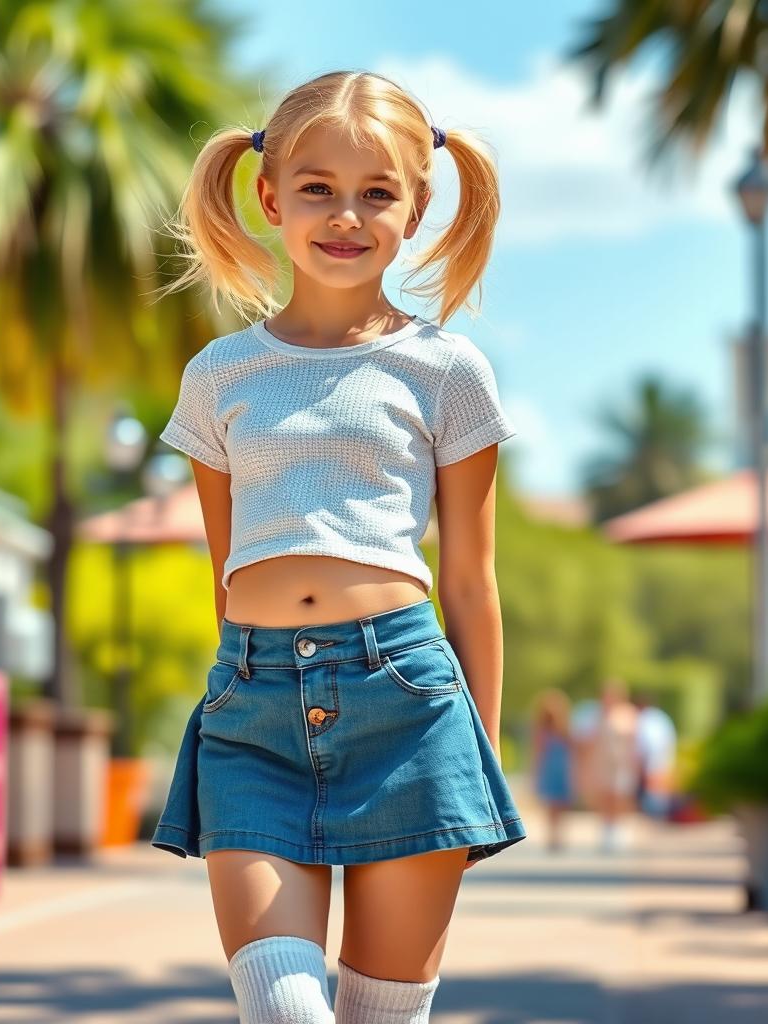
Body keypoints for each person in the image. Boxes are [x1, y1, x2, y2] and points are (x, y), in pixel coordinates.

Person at [147, 70, 527, 1024]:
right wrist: (245, 670)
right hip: (255, 709)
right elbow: (225, 573)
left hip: (409, 706)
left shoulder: (448, 370)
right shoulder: (218, 375)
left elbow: (474, 585)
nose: (345, 215)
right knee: (284, 1013)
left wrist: (474, 751)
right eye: (317, 188)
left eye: (377, 192)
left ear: (418, 206)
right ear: (269, 196)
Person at [588, 679, 640, 853]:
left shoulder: (628, 714)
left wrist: (634, 762)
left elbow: (634, 741)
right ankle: (606, 829)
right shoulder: (600, 714)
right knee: (605, 795)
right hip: (603, 761)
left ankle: (618, 828)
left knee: (620, 796)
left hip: (622, 762)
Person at [530, 689, 574, 851]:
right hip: (549, 770)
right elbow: (537, 754)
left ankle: (559, 835)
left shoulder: (565, 730)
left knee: (562, 804)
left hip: (562, 770)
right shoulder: (542, 732)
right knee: (552, 805)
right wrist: (535, 774)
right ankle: (553, 835)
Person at [632, 692, 678, 820]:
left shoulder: (645, 721)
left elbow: (646, 746)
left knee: (653, 795)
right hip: (663, 761)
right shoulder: (661, 718)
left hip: (651, 762)